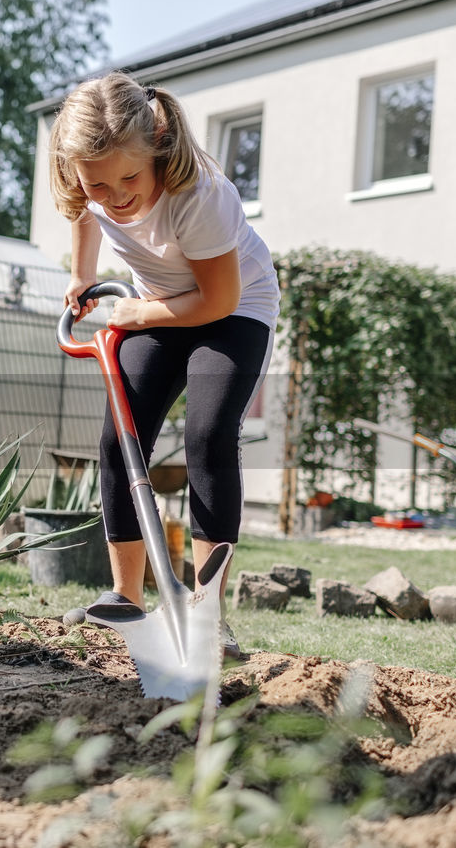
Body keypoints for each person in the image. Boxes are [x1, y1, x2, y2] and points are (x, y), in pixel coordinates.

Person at [48, 72, 279, 659]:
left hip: (232, 309)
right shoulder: (91, 187)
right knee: (118, 439)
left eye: (129, 177)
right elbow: (83, 213)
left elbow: (217, 300)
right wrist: (81, 275)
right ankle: (126, 594)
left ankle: (207, 614)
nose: (117, 194)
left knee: (207, 437)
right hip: (155, 304)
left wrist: (140, 311)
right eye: (98, 183)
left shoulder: (198, 194)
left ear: (155, 148)